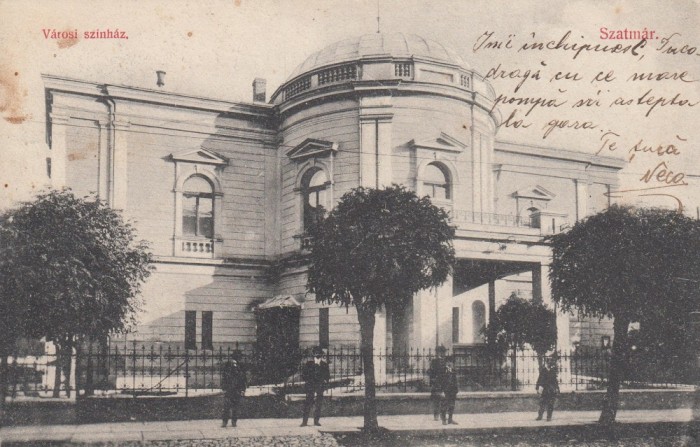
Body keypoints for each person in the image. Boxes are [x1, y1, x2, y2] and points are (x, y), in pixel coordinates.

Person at [300, 346, 330, 427]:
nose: (317, 354)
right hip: (310, 386)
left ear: (321, 354)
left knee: (318, 404)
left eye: (319, 353)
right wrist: (308, 381)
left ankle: (316, 421)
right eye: (316, 353)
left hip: (320, 386)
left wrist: (324, 381)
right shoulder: (309, 364)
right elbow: (303, 375)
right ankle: (304, 422)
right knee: (308, 403)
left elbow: (327, 376)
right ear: (313, 354)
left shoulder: (324, 365)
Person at [221, 354, 247, 428]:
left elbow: (243, 381)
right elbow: (224, 380)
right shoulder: (227, 371)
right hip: (229, 391)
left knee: (235, 408)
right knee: (226, 407)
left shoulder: (240, 371)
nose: (234, 365)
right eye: (233, 363)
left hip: (236, 391)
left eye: (235, 364)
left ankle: (234, 421)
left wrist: (243, 390)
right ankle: (225, 421)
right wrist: (224, 389)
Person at [535, 356, 560, 421]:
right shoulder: (543, 370)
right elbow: (539, 379)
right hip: (544, 389)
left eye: (551, 363)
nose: (550, 364)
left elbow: (555, 380)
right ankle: (540, 416)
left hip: (551, 389)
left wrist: (557, 388)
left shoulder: (552, 371)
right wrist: (537, 387)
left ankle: (549, 417)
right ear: (547, 362)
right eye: (549, 362)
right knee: (542, 403)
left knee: (550, 404)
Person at [427, 345, 447, 421]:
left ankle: (442, 415)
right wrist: (432, 380)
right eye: (440, 352)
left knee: (444, 400)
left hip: (444, 383)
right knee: (436, 400)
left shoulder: (446, 361)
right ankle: (436, 415)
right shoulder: (434, 361)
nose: (442, 354)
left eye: (443, 352)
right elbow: (430, 372)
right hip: (437, 383)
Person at [440, 356, 459, 425]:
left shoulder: (453, 370)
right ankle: (444, 420)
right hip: (445, 391)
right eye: (448, 362)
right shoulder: (442, 370)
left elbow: (455, 381)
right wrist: (441, 391)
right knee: (444, 405)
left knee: (452, 405)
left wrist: (456, 390)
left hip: (452, 391)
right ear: (445, 362)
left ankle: (450, 419)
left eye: (451, 362)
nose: (449, 363)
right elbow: (440, 381)